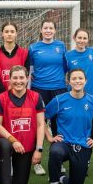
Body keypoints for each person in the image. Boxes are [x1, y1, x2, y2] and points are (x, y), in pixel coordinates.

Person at [46, 68, 93, 184]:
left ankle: (61, 178)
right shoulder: (59, 100)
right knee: (55, 152)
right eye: (74, 78)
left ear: (86, 81)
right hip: (63, 143)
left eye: (80, 78)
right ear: (68, 81)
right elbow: (42, 117)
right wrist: (50, 137)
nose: (77, 81)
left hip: (82, 145)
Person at [0, 65, 46, 184]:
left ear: (27, 78)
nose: (18, 81)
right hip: (6, 140)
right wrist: (13, 140)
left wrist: (38, 149)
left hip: (26, 146)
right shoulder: (1, 98)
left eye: (21, 77)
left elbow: (41, 124)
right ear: (9, 80)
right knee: (5, 147)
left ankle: (4, 175)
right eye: (15, 78)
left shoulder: (35, 97)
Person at [28, 20, 68, 176]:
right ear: (41, 30)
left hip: (59, 88)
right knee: (39, 124)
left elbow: (65, 67)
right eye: (45, 28)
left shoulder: (61, 46)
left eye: (51, 28)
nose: (48, 30)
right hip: (39, 89)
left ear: (55, 31)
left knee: (59, 123)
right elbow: (30, 69)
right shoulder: (33, 48)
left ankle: (59, 159)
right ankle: (37, 161)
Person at [0, 22, 29, 95]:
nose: (9, 34)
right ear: (2, 34)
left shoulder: (25, 53)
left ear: (16, 33)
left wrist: (17, 91)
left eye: (12, 31)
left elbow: (26, 76)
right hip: (1, 95)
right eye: (6, 31)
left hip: (19, 94)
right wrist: (5, 94)